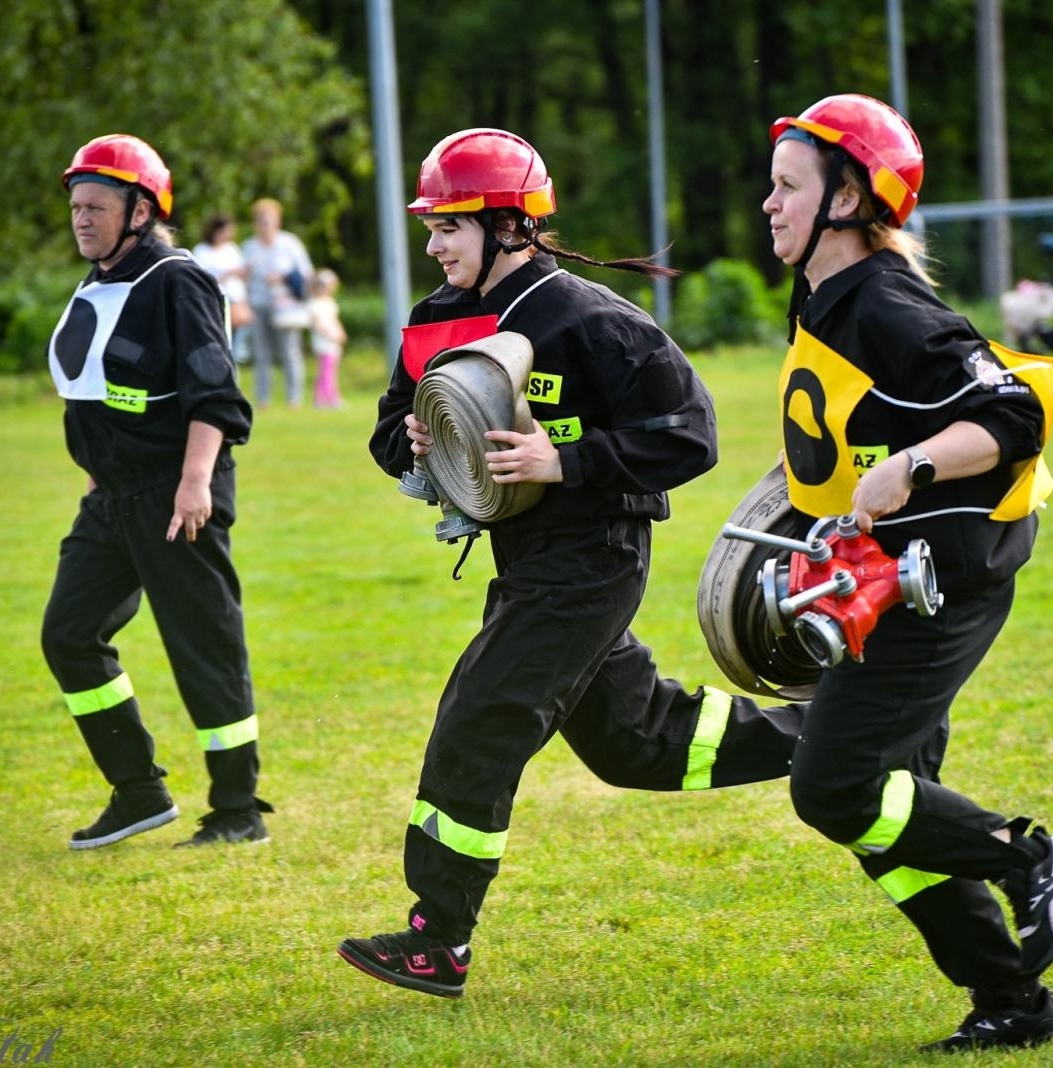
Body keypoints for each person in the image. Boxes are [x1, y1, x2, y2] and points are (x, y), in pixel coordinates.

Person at [340, 127, 802, 998]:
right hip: (525, 560)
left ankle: (438, 940)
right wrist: (413, 443)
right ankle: (838, 736)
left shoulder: (594, 321)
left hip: (595, 556)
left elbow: (690, 436)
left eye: (449, 227)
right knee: (638, 742)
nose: (434, 246)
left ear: (510, 227)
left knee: (479, 719)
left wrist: (566, 460)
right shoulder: (437, 319)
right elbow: (389, 431)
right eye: (431, 228)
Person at [762, 94, 1053, 1052]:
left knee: (836, 787)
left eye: (788, 187)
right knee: (894, 812)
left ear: (845, 200)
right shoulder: (827, 292)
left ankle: (1033, 857)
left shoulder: (885, 302)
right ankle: (1015, 1005)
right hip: (888, 576)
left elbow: (1012, 414)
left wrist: (910, 467)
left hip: (939, 582)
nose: (769, 204)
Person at [44, 133, 272, 850]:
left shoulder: (178, 281)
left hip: (178, 492)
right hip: (111, 498)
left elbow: (215, 394)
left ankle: (237, 811)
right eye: (76, 207)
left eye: (96, 207)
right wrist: (96, 472)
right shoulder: (97, 282)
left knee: (203, 645)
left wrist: (195, 483)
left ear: (140, 211)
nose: (82, 219)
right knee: (69, 634)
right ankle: (138, 790)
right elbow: (98, 394)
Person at [241, 198, 313, 407]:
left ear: (277, 221)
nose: (265, 224)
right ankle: (263, 399)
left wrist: (282, 278)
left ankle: (294, 399)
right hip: (258, 303)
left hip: (285, 305)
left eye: (269, 219)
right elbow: (242, 279)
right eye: (261, 220)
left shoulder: (289, 243)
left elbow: (306, 273)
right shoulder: (249, 247)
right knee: (261, 353)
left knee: (289, 352)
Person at [191, 213, 252, 364]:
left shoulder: (232, 249)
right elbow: (200, 279)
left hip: (236, 301)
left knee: (236, 345)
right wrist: (227, 274)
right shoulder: (202, 251)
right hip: (214, 300)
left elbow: (242, 277)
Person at [307, 268, 347, 409]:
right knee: (326, 370)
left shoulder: (330, 302)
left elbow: (334, 320)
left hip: (333, 340)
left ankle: (323, 397)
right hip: (324, 341)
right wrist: (330, 335)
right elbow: (317, 323)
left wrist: (340, 333)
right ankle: (328, 397)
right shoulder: (314, 304)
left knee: (330, 370)